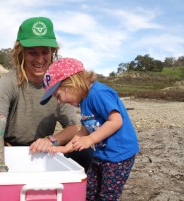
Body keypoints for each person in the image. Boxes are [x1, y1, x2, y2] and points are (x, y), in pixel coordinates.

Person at [0, 16, 93, 182]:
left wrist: (51, 140)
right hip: (8, 144)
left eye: (45, 52)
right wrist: (0, 168)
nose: (39, 59)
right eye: (32, 53)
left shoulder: (60, 85)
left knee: (86, 155)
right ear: (21, 52)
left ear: (53, 52)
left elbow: (73, 128)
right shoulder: (8, 82)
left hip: (42, 147)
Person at [40, 57, 140, 200]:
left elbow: (116, 121)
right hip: (102, 153)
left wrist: (90, 140)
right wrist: (65, 149)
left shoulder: (98, 93)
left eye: (58, 95)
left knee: (107, 195)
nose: (60, 101)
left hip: (119, 155)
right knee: (89, 190)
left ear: (71, 83)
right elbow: (83, 131)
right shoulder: (83, 102)